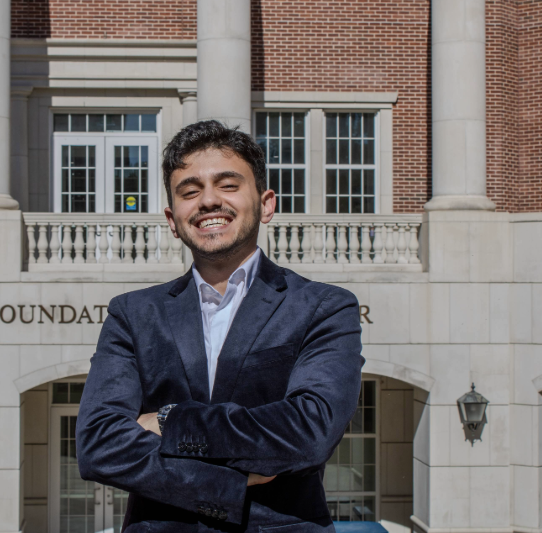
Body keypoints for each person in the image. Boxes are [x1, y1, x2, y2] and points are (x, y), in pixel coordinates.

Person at [76, 120, 364, 532]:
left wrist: (169, 422)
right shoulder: (133, 314)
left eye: (228, 185)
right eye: (190, 191)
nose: (208, 200)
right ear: (173, 219)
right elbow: (98, 445)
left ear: (266, 204)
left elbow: (309, 430)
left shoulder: (323, 307)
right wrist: (225, 484)